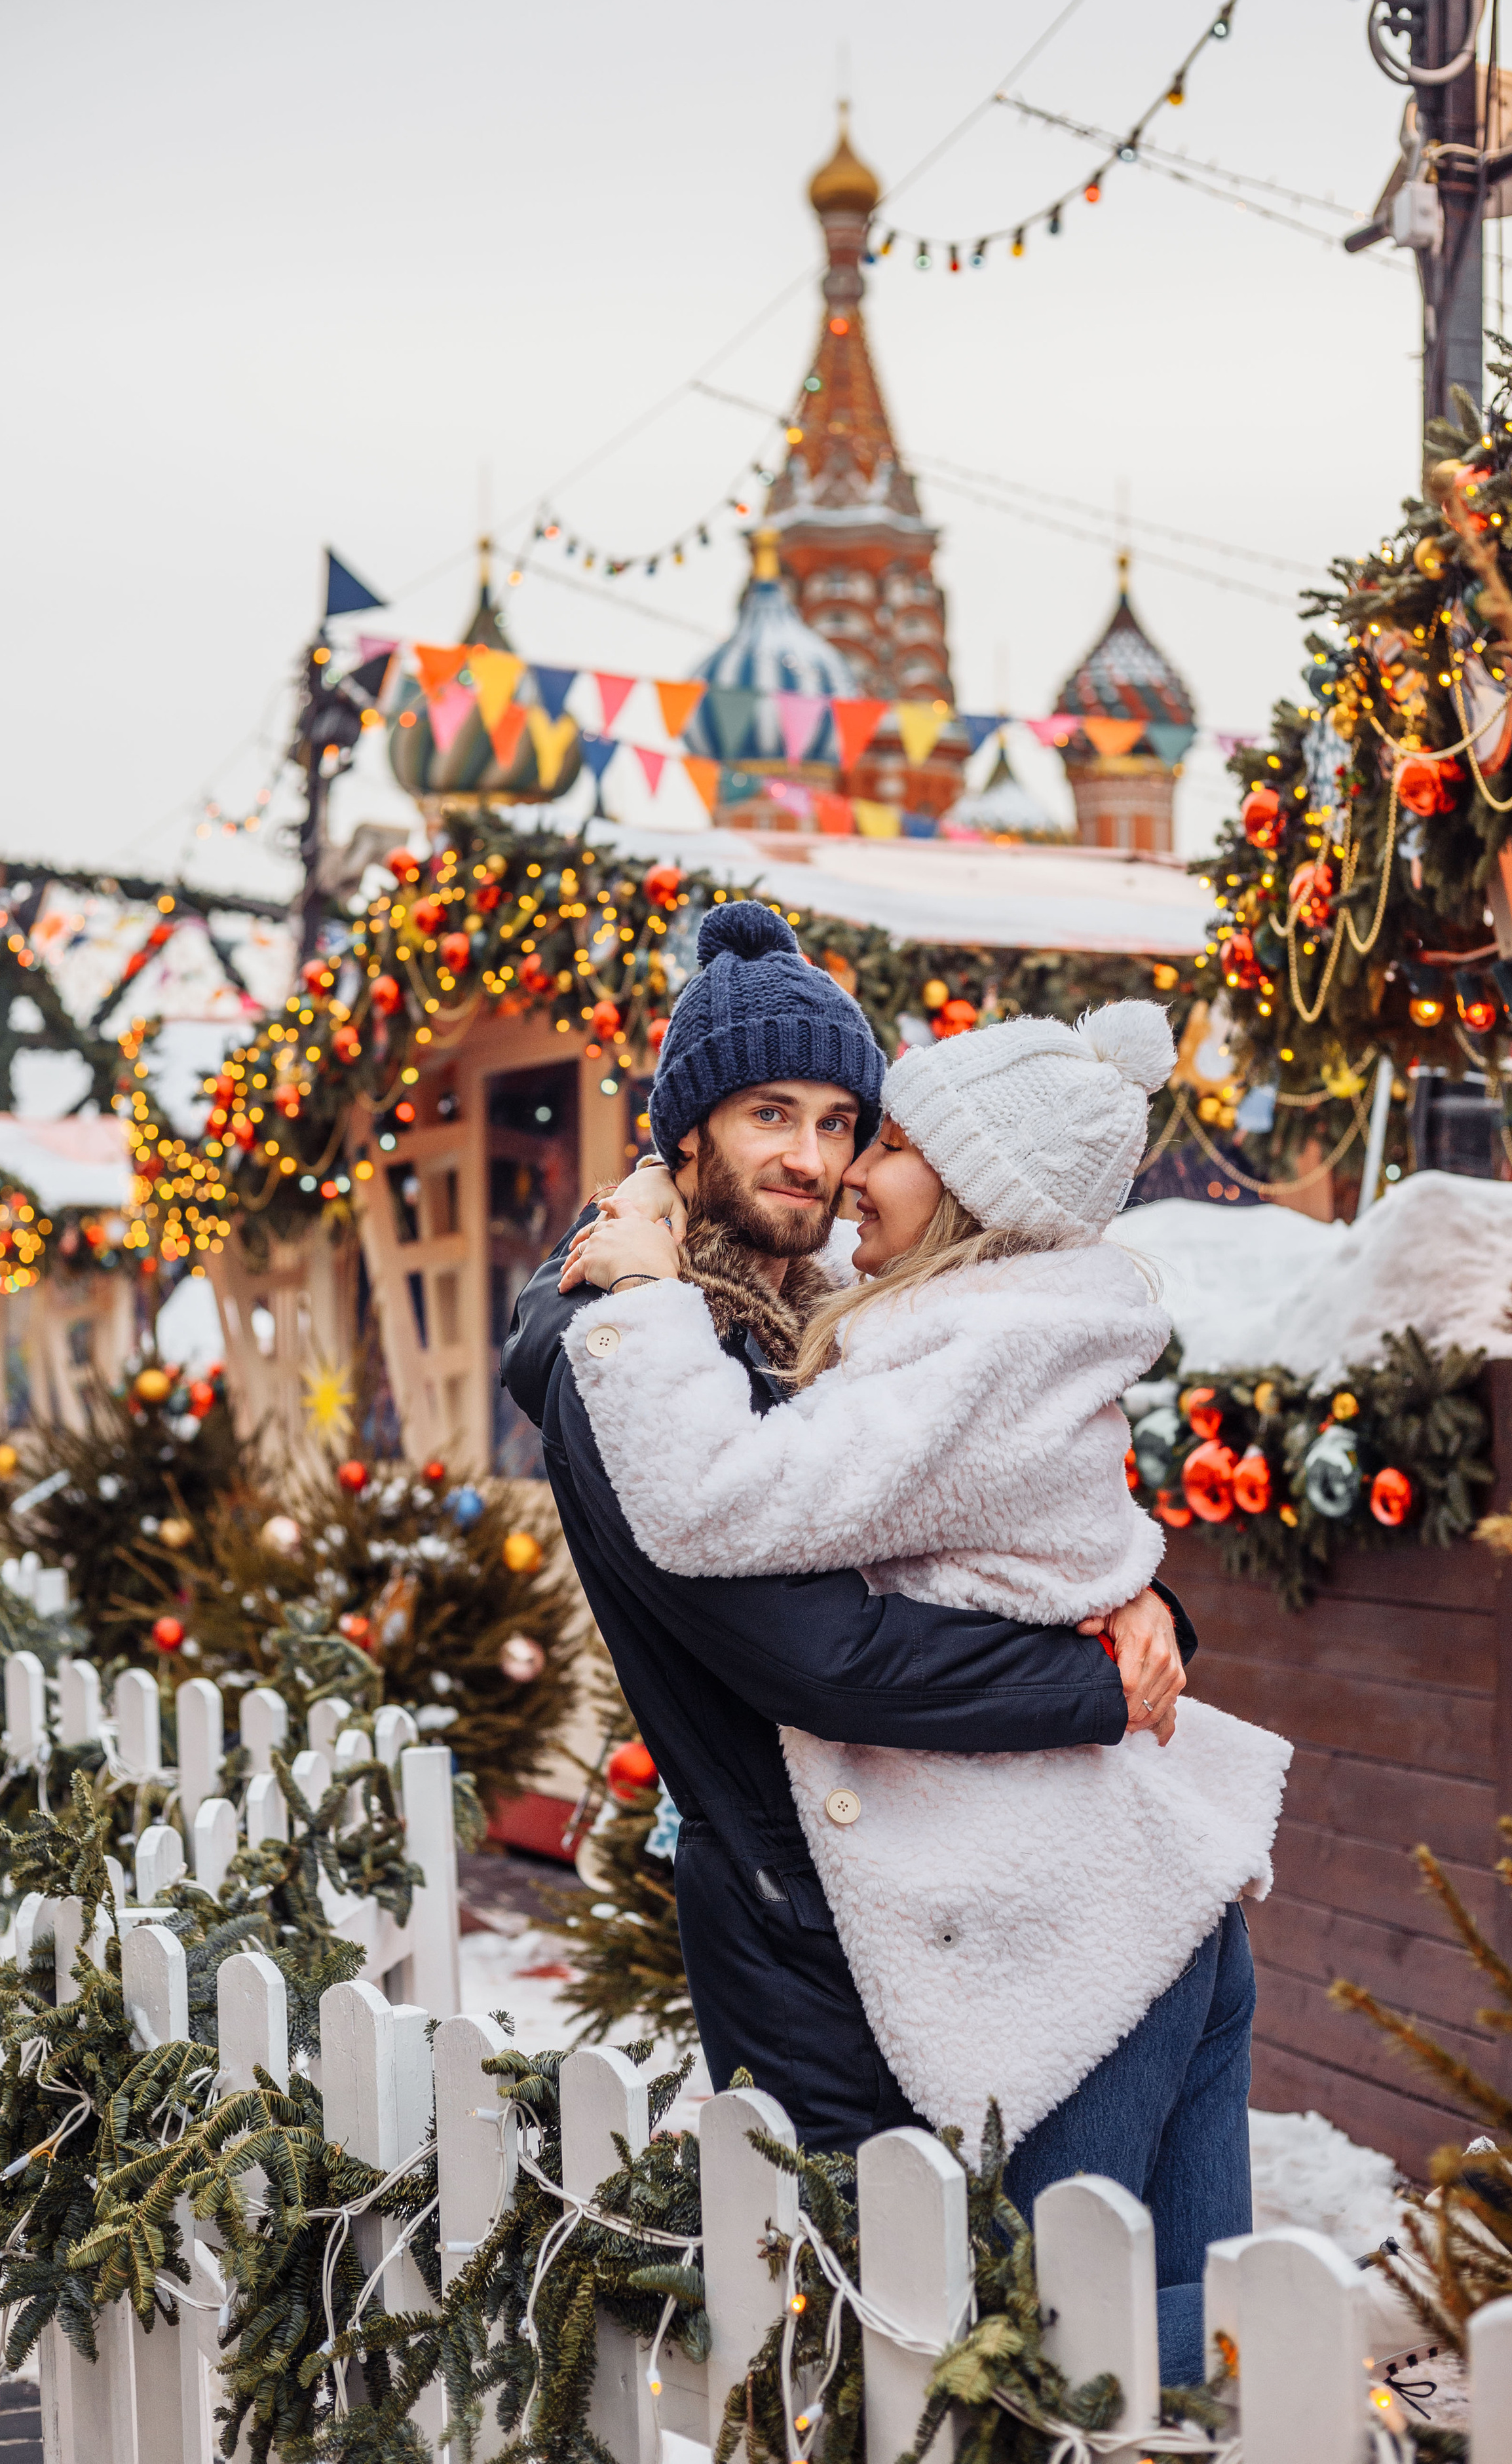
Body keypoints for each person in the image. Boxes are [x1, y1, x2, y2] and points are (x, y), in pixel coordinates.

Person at [558, 987, 1287, 2383]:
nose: (842, 1176)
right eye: (795, 1122)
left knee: (1068, 2357)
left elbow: (717, 1498)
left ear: (961, 1190)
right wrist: (1130, 1602)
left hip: (1077, 1936)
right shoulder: (986, 1328)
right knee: (1191, 2339)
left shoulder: (972, 1351)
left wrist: (644, 1300)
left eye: (873, 1140)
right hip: (1128, 1899)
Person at [499, 903, 1188, 2135]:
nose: (814, 1160)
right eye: (771, 1114)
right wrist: (1096, 1684)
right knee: (867, 2304)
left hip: (906, 1889)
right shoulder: (621, 1352)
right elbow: (828, 1658)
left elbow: (948, 1531)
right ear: (689, 1131)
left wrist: (1128, 1591)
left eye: (839, 1122)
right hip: (798, 1915)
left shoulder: (809, 1327)